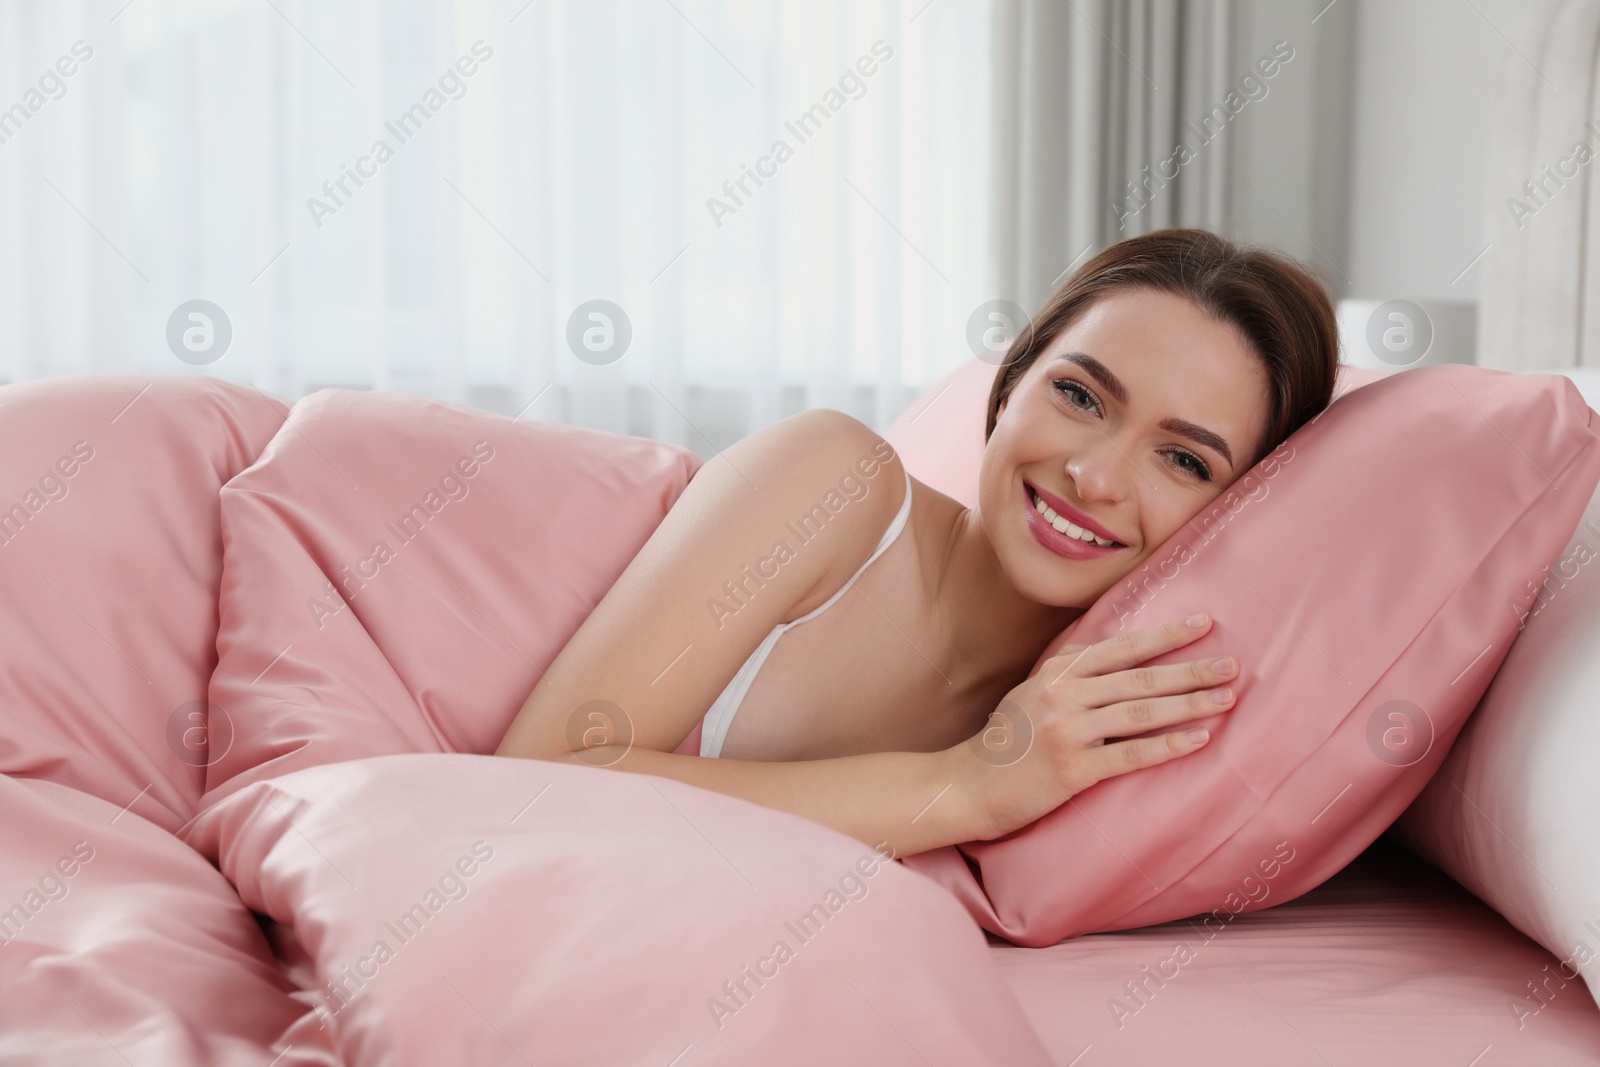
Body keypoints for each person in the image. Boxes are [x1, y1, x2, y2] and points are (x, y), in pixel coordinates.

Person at [495, 227, 1339, 859]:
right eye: (1080, 396)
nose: (1095, 475)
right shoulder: (833, 478)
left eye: (1184, 458)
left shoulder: (1077, 723)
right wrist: (967, 786)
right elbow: (533, 785)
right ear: (1010, 388)